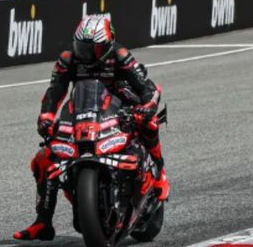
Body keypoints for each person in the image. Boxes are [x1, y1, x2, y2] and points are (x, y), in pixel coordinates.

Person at [13, 14, 168, 241]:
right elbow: (55, 90)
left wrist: (147, 106)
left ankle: (159, 171)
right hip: (85, 111)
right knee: (43, 159)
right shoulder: (68, 58)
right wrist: (46, 116)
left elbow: (146, 87)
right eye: (82, 47)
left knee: (149, 123)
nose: (86, 54)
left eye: (93, 48)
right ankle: (43, 222)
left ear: (107, 44)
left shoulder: (120, 55)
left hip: (120, 105)